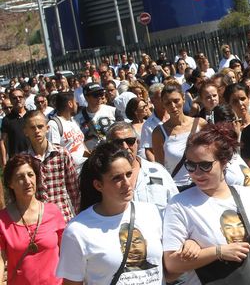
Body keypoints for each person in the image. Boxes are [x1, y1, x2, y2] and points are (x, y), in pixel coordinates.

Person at [162, 123, 250, 285]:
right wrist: (218, 252)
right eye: (190, 166)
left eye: (205, 165)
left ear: (224, 162)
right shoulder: (179, 204)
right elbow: (171, 264)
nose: (197, 173)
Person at [57, 144, 164, 284]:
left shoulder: (151, 213)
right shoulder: (77, 231)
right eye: (117, 178)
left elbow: (169, 269)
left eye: (129, 174)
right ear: (98, 185)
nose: (127, 183)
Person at [0, 154, 64, 284]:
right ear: (10, 183)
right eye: (20, 177)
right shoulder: (2, 220)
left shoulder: (53, 212)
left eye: (30, 174)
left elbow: (66, 253)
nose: (28, 181)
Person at [22, 110, 80, 222]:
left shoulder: (62, 154)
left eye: (40, 127)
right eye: (32, 128)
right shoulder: (24, 160)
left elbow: (74, 189)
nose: (37, 131)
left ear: (47, 128)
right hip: (37, 220)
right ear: (25, 131)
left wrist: (78, 218)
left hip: (63, 217)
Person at [107, 123, 178, 213]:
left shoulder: (158, 171)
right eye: (118, 143)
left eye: (130, 141)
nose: (125, 147)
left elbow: (175, 205)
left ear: (138, 142)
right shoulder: (105, 178)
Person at [152, 84, 206, 190]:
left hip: (202, 185)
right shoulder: (159, 133)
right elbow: (160, 167)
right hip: (176, 188)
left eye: (176, 101)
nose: (173, 106)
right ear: (163, 105)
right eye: (168, 103)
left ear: (183, 99)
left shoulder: (201, 124)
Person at [47, 91, 87, 170]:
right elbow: (54, 154)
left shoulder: (73, 121)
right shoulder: (53, 125)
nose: (77, 104)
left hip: (85, 167)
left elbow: (80, 143)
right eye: (75, 102)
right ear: (70, 104)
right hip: (71, 172)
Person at [74, 83, 117, 151]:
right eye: (96, 95)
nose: (100, 97)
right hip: (93, 156)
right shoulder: (76, 119)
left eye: (101, 94)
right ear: (86, 97)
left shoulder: (113, 111)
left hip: (113, 151)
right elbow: (78, 142)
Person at [0, 88, 29, 166]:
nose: (18, 99)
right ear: (11, 101)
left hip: (34, 157)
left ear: (24, 98)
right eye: (14, 98)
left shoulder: (31, 115)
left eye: (20, 97)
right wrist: (4, 162)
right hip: (16, 160)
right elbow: (2, 141)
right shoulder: (6, 120)